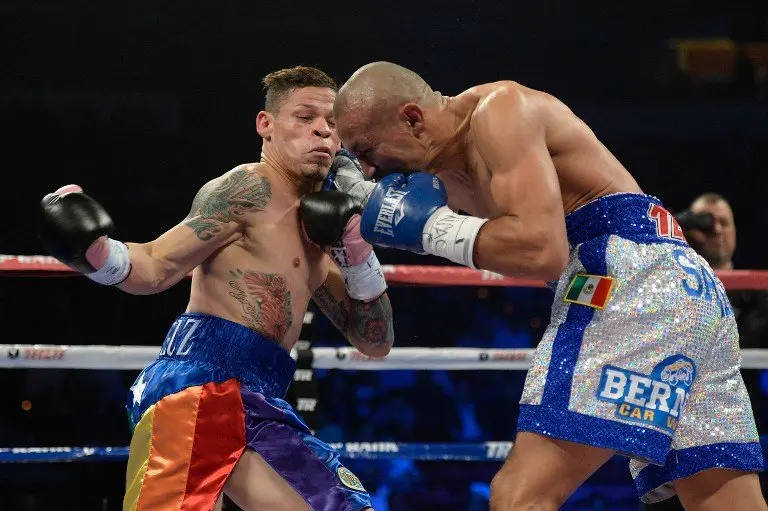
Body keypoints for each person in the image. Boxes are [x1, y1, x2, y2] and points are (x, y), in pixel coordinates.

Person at [327, 61, 767, 510]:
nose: (367, 168)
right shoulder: (439, 175)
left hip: (625, 280)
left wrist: (431, 230)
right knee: (718, 496)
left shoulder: (500, 113)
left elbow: (542, 250)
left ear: (412, 118)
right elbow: (508, 248)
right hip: (687, 292)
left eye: (366, 149)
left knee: (520, 497)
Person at [37, 66, 393, 511]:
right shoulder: (248, 189)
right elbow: (157, 266)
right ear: (266, 125)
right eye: (304, 117)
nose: (322, 129)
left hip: (259, 400)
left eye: (332, 121)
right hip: (201, 386)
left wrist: (357, 255)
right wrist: (100, 254)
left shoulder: (325, 226)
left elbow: (374, 339)